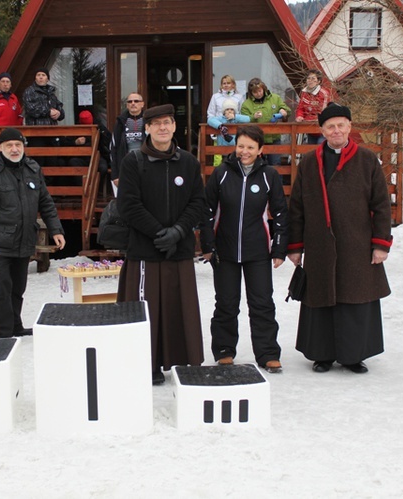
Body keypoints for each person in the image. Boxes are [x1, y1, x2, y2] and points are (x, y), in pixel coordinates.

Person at [287, 103, 393, 374]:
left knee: (354, 299)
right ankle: (322, 354)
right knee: (321, 299)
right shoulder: (309, 161)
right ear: (322, 129)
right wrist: (295, 245)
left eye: (341, 125)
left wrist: (381, 244)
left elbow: (381, 204)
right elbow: (297, 206)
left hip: (356, 243)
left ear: (349, 127)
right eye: (330, 126)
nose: (336, 130)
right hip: (319, 245)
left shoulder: (367, 160)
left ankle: (353, 355)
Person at [116, 104, 206, 385]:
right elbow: (128, 206)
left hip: (178, 249)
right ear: (148, 128)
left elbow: (197, 202)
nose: (163, 128)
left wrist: (178, 232)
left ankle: (180, 359)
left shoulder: (189, 162)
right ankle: (148, 362)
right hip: (146, 251)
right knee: (147, 309)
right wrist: (159, 233)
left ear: (174, 127)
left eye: (168, 122)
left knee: (179, 307)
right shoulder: (133, 162)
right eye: (157, 124)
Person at [200, 126, 289, 373]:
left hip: (257, 250)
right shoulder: (222, 173)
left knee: (262, 303)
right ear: (235, 146)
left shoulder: (269, 175)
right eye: (241, 146)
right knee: (226, 303)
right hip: (225, 250)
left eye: (251, 147)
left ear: (261, 149)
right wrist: (208, 246)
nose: (245, 151)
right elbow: (206, 211)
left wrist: (279, 248)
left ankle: (268, 353)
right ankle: (224, 351)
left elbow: (280, 212)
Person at [0, 127, 65, 338]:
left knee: (17, 288)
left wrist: (56, 229)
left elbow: (46, 202)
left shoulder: (32, 168)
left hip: (24, 239)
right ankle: (2, 332)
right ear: (1, 148)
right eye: (9, 146)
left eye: (18, 145)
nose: (14, 149)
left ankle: (15, 325)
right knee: (0, 290)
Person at [241, 78, 292, 166]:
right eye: (255, 92)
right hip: (256, 140)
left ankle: (275, 180)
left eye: (260, 91)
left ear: (263, 88)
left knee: (275, 164)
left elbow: (287, 110)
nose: (258, 94)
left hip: (274, 137)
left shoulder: (275, 98)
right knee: (257, 165)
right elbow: (243, 120)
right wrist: (253, 117)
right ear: (251, 93)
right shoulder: (246, 104)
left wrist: (284, 111)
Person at [22, 68, 65, 166]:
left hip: (52, 133)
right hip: (37, 134)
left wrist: (59, 113)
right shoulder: (29, 91)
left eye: (43, 75)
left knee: (52, 162)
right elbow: (30, 109)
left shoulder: (52, 94)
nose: (41, 77)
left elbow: (61, 109)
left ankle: (50, 182)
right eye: (38, 75)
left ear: (47, 79)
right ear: (35, 78)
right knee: (38, 162)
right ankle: (37, 181)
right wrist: (48, 111)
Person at [110, 92, 145, 192]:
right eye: (130, 101)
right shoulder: (120, 122)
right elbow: (113, 148)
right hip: (126, 165)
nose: (133, 103)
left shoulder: (149, 121)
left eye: (136, 101)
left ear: (142, 104)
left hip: (145, 166)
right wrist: (115, 175)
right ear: (127, 105)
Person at [295, 69, 330, 144]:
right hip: (309, 128)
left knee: (320, 148)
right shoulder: (304, 93)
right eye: (308, 78)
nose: (310, 81)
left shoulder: (323, 93)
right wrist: (299, 116)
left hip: (321, 130)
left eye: (313, 79)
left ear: (318, 81)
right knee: (311, 151)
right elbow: (300, 108)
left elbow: (324, 112)